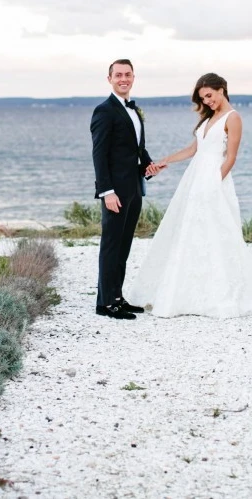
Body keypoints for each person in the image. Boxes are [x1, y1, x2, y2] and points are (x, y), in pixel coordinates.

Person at [123, 73, 252, 318]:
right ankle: (186, 293)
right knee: (190, 232)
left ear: (222, 89)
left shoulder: (233, 118)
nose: (207, 101)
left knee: (217, 233)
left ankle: (220, 294)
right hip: (194, 180)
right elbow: (194, 149)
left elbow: (231, 157)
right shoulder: (208, 119)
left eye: (209, 95)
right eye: (203, 98)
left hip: (214, 180)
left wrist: (215, 183)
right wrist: (164, 162)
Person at [90, 59, 163, 320]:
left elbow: (136, 148)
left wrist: (148, 165)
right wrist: (106, 191)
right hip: (115, 192)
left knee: (123, 245)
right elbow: (99, 155)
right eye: (118, 74)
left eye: (128, 74)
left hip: (134, 187)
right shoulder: (104, 110)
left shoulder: (134, 110)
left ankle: (116, 298)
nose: (124, 78)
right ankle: (106, 303)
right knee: (111, 245)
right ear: (109, 78)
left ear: (134, 77)